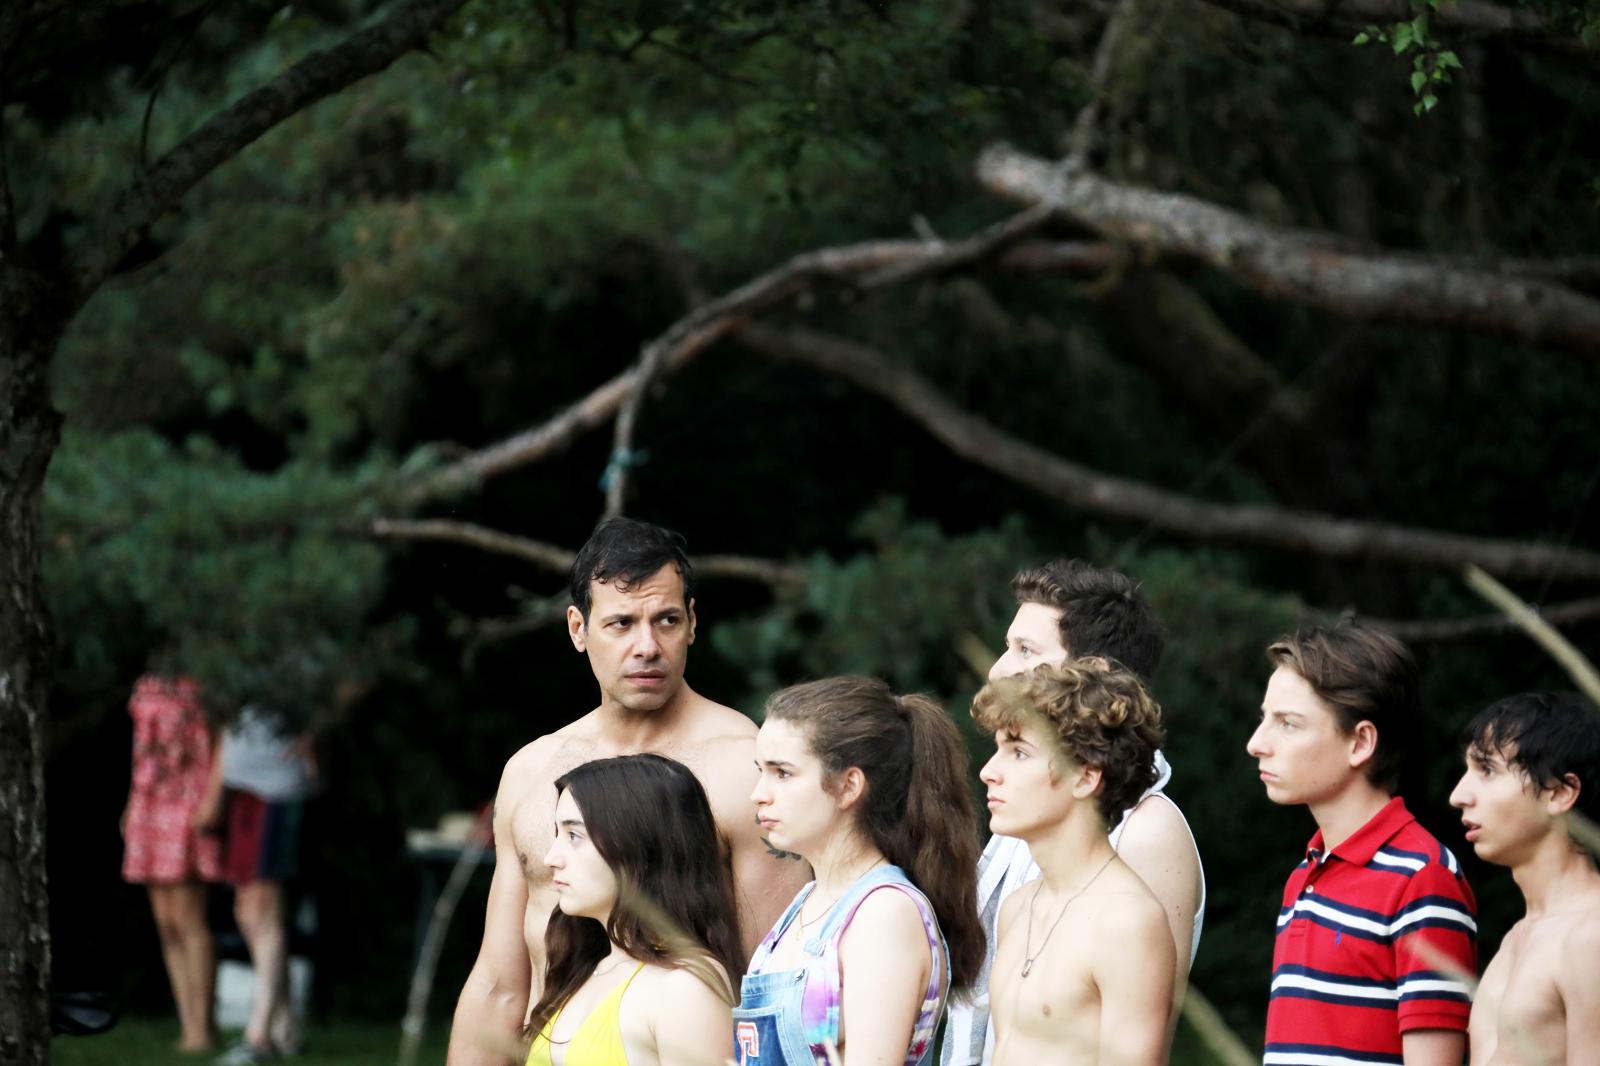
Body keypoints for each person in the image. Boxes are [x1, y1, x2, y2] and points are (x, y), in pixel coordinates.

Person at [450, 518, 809, 1066]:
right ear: (578, 628)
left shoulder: (746, 768)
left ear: (692, 623)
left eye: (666, 620)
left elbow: (772, 981)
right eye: (621, 623)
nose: (647, 646)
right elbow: (499, 986)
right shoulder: (531, 771)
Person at [942, 559, 1205, 1065]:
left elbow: (1143, 1036)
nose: (998, 669)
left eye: (1026, 650)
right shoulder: (1029, 820)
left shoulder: (1146, 829)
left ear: (1096, 673)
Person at [1248, 621, 1477, 1066]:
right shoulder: (1304, 875)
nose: (1256, 744)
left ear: (1360, 742)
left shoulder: (1423, 878)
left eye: (1288, 724)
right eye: (1264, 719)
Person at [740, 676, 983, 1065]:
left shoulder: (884, 913)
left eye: (782, 773)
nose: (759, 794)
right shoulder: (809, 899)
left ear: (848, 786)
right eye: (760, 771)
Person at [976, 658, 1176, 1066]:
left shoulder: (1128, 921)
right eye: (998, 749)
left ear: (1085, 777)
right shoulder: (1018, 906)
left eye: (1019, 752)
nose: (988, 772)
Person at [523, 753, 743, 1066]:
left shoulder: (683, 986)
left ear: (638, 843)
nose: (551, 858)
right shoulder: (587, 968)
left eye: (574, 835)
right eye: (557, 834)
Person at [1449, 692, 1600, 1066]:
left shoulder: (1591, 936)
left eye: (1487, 770)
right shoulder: (1516, 937)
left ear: (1560, 793)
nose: (1458, 795)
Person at [121, 673, 223, 1052]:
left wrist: (213, 798)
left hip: (187, 798)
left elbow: (223, 741)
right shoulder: (147, 683)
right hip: (150, 799)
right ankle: (188, 1024)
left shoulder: (207, 679)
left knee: (189, 918)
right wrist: (133, 803)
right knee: (165, 922)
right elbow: (142, 751)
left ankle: (203, 1028)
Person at [213, 706, 316, 1066]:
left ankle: (257, 1035)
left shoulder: (291, 675)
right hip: (244, 790)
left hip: (275, 790)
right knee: (247, 911)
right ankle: (285, 1027)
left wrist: (315, 732)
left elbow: (349, 684)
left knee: (263, 911)